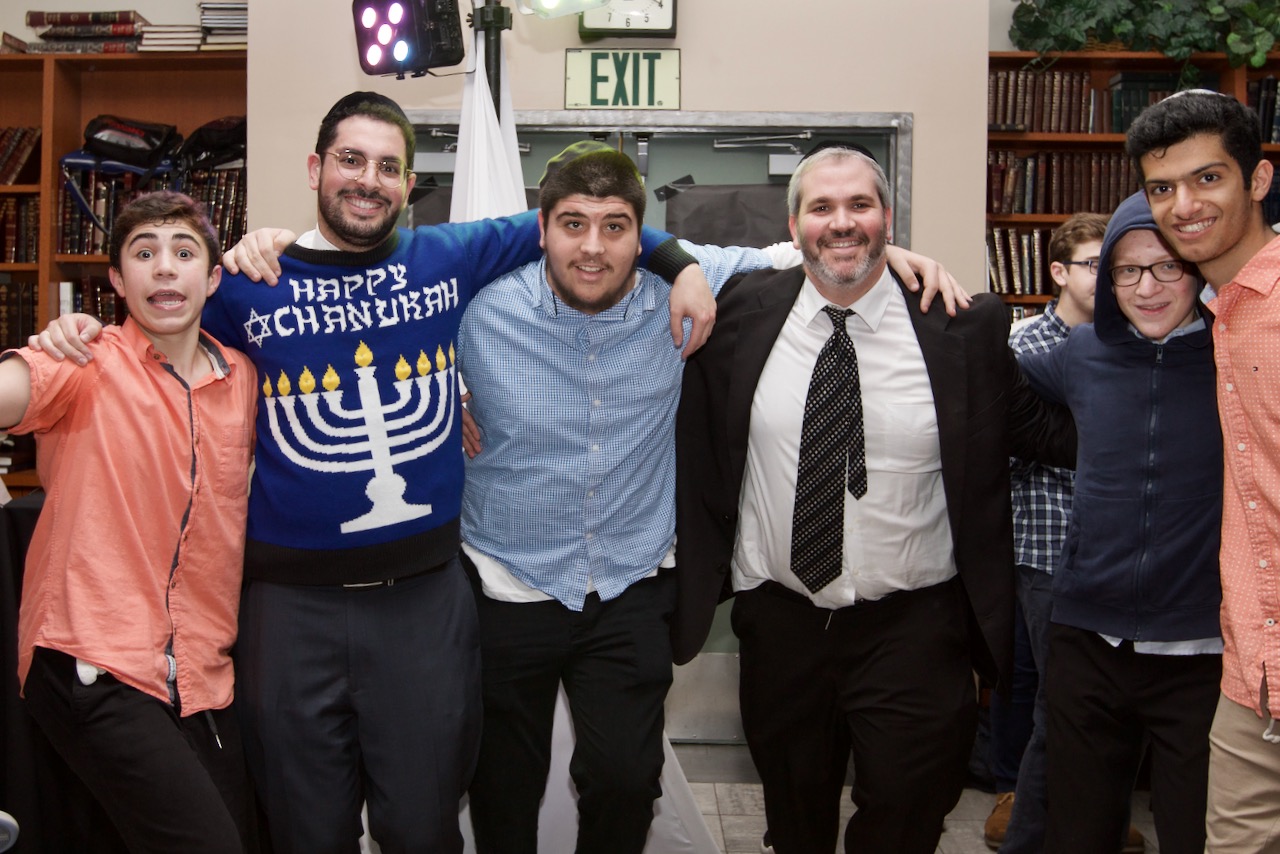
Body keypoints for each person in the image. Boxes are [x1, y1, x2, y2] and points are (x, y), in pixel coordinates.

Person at [29, 92, 714, 854]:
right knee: (306, 830)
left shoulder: (445, 259)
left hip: (423, 601)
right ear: (316, 169)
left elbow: (585, 221)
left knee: (422, 828)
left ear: (409, 184)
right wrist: (79, 331)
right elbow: (158, 315)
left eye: (389, 166)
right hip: (288, 609)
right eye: (351, 160)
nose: (368, 179)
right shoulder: (251, 283)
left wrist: (677, 263)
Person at [672, 145, 1074, 854]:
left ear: (888, 216)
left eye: (860, 205)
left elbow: (1044, 432)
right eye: (821, 207)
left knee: (906, 817)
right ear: (793, 226)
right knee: (795, 824)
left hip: (916, 629)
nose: (841, 222)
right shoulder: (737, 315)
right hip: (782, 626)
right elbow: (615, 250)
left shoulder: (961, 325)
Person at [458, 144, 780, 854]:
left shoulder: (682, 287)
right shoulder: (480, 305)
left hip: (629, 584)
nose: (593, 248)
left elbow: (803, 257)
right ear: (541, 229)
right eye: (573, 224)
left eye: (614, 226)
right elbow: (383, 333)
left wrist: (896, 258)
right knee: (502, 787)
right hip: (506, 583)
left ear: (643, 235)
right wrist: (436, 393)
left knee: (627, 781)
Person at [4, 191, 258, 853]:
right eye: (144, 254)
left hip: (201, 677)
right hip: (92, 657)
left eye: (183, 252)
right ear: (118, 280)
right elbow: (16, 387)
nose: (164, 267)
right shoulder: (85, 362)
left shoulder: (242, 379)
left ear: (212, 277)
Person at [1017, 191, 1223, 854]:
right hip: (1087, 640)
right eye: (1126, 270)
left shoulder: (1236, 354)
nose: (1147, 288)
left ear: (1197, 266)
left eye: (1166, 267)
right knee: (1077, 833)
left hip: (1202, 649)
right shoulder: (1083, 351)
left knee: (1198, 833)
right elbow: (984, 380)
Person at [1125, 89, 1280, 852]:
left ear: (1258, 179)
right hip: (1251, 674)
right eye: (1162, 188)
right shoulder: (1221, 313)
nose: (1183, 206)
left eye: (1208, 178)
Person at [989, 212, 1136, 852]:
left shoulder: (1132, 339)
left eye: (1116, 266)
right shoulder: (1021, 346)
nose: (1108, 278)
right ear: (1058, 272)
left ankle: (1086, 820)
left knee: (1098, 702)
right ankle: (1031, 822)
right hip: (1044, 547)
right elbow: (1003, 452)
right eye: (1095, 265)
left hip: (1119, 550)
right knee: (1056, 700)